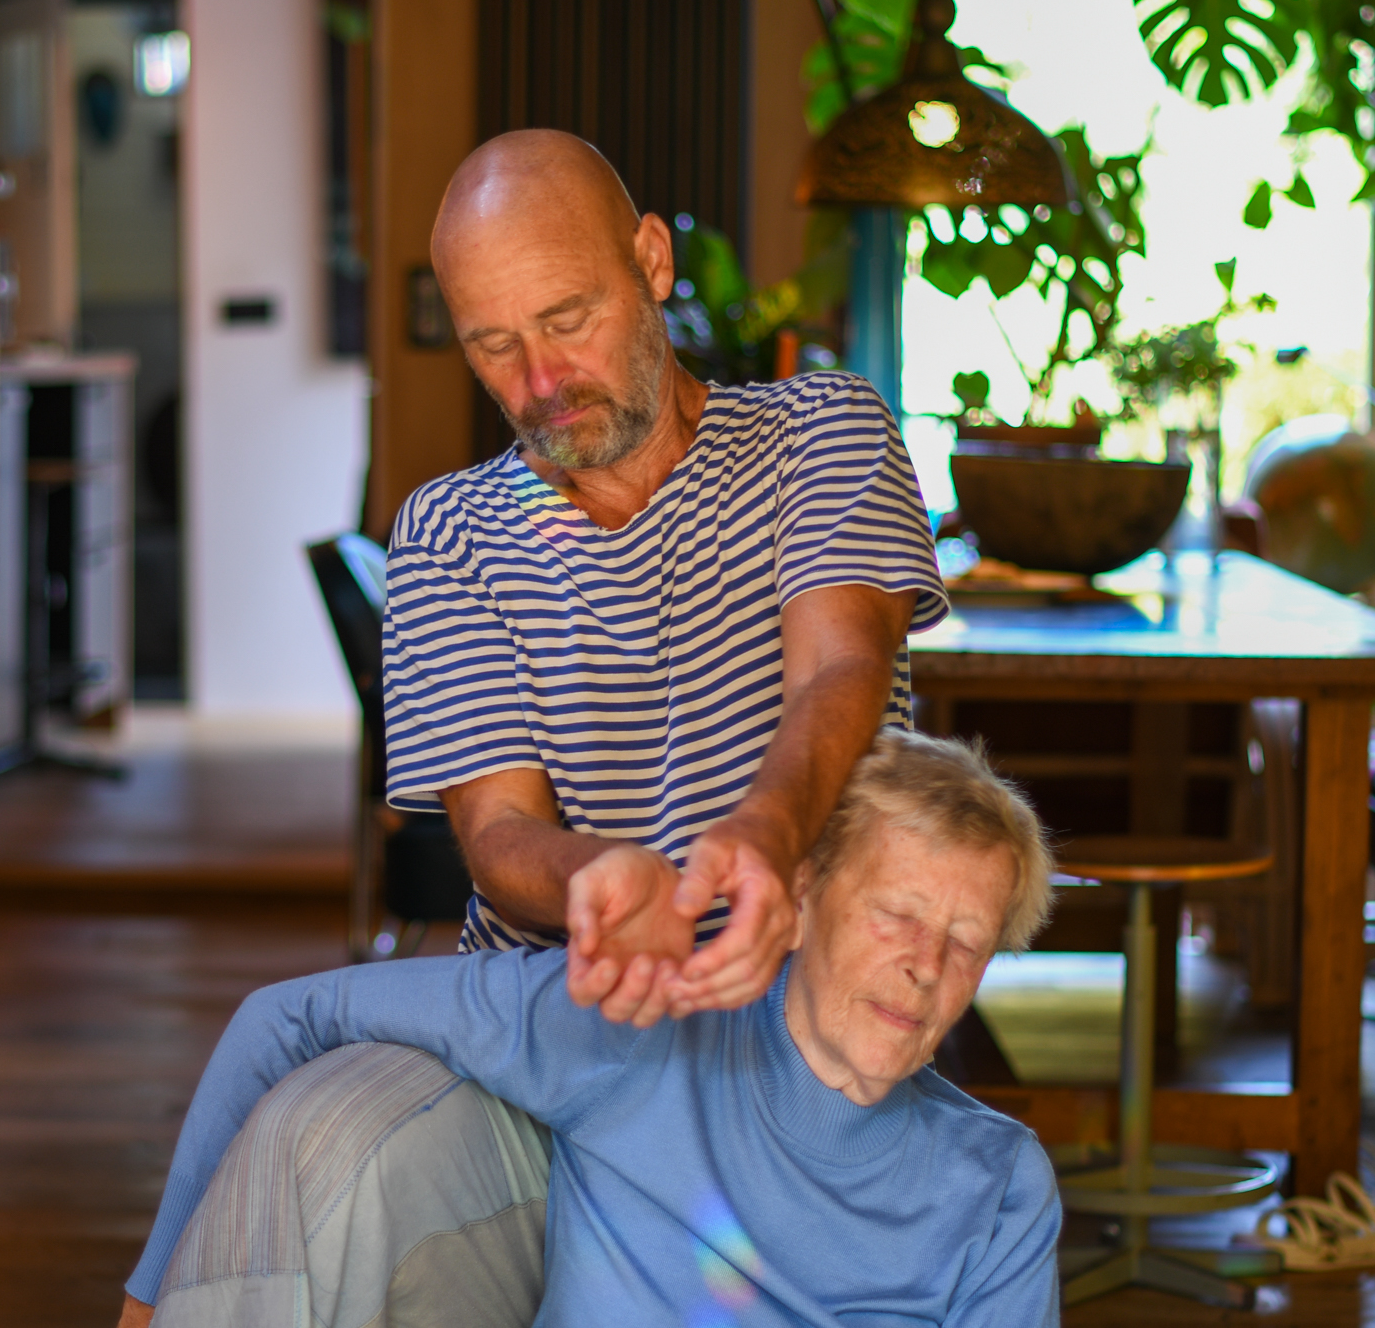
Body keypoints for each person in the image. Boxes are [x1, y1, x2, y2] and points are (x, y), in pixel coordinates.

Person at [120, 128, 946, 1325]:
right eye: (492, 345)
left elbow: (840, 669)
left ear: (650, 262)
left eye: (566, 318)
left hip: (787, 1043)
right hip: (548, 1034)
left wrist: (764, 835)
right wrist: (599, 878)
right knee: (304, 1137)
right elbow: (500, 837)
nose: (540, 382)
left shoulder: (820, 433)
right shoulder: (448, 530)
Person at [131, 730, 1059, 1326]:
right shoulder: (642, 1026)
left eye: (966, 940)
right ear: (803, 892)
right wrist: (148, 1301)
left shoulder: (998, 1185)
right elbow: (289, 1014)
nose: (924, 965)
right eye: (896, 914)